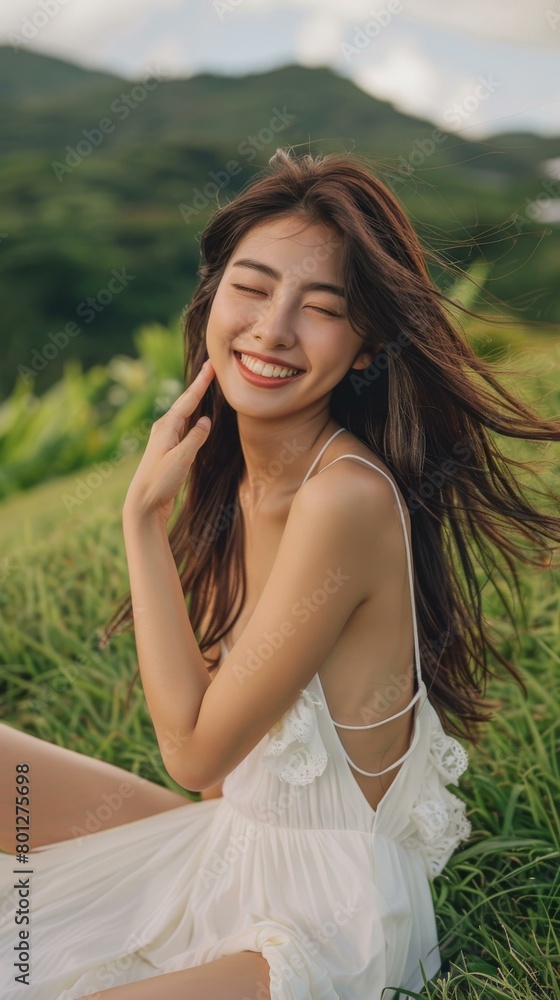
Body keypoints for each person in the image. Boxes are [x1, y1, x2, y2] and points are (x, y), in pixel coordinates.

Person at [1, 146, 559, 1000]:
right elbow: (225, 782)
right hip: (235, 848)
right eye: (252, 288)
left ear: (366, 348)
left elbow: (191, 753)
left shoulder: (343, 500)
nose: (272, 328)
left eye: (321, 308)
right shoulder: (245, 476)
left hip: (327, 923)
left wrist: (141, 523)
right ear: (214, 297)